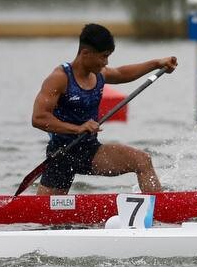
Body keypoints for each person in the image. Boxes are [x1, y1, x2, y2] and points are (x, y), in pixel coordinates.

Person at [30, 23, 178, 195]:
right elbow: (38, 118)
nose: (106, 62)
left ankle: (158, 210)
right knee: (47, 216)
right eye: (103, 56)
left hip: (90, 151)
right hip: (62, 153)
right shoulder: (59, 78)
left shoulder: (100, 73)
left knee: (142, 160)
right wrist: (77, 128)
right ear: (85, 53)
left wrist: (157, 63)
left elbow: (122, 74)